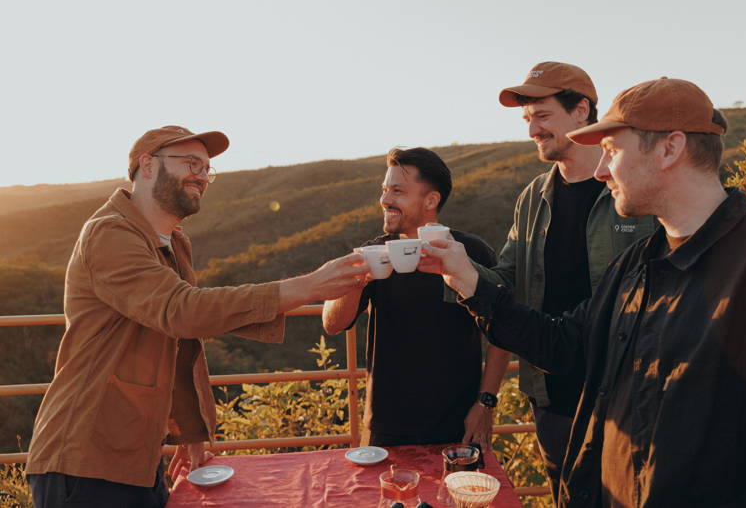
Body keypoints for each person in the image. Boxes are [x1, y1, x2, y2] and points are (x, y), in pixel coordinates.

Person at [421, 78, 746, 507]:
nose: (601, 171)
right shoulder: (637, 263)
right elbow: (564, 345)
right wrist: (467, 281)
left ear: (670, 149)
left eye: (612, 151)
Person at [25, 125, 369, 508]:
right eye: (191, 163)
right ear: (147, 166)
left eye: (207, 169)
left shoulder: (173, 241)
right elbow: (181, 311)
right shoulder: (110, 234)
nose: (202, 176)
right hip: (84, 461)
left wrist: (190, 432)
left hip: (135, 457)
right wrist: (307, 287)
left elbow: (183, 339)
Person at [453, 61, 655, 501]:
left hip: (626, 401)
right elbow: (506, 281)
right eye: (528, 119)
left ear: (581, 111)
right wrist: (452, 267)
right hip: (553, 401)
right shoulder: (533, 197)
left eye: (542, 116)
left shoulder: (632, 189)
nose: (533, 131)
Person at [322, 147, 509, 448]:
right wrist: (356, 280)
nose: (385, 200)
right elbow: (332, 324)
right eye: (384, 190)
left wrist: (485, 403)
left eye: (397, 191)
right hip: (387, 427)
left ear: (431, 200)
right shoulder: (373, 253)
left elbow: (502, 330)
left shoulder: (470, 252)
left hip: (460, 425)